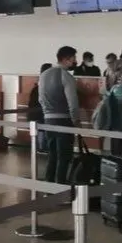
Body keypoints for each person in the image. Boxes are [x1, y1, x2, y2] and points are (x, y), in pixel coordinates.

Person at [39, 47, 80, 184]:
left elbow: (40, 99)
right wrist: (76, 121)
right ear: (66, 59)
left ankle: (48, 185)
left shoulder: (44, 75)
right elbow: (72, 102)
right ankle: (61, 187)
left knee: (52, 155)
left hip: (48, 120)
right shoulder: (66, 76)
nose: (76, 61)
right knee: (64, 156)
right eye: (74, 58)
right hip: (64, 121)